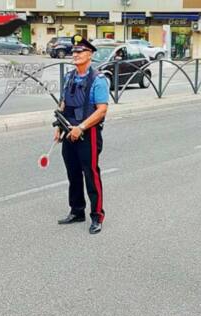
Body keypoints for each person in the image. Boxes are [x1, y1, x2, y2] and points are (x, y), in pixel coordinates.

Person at [56, 34, 109, 235]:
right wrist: (59, 127)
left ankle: (97, 216)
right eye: (74, 51)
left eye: (81, 51)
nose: (76, 54)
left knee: (91, 174)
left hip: (89, 133)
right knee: (73, 173)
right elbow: (64, 103)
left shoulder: (98, 79)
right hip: (69, 132)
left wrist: (82, 127)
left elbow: (102, 109)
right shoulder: (69, 76)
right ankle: (77, 210)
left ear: (90, 55)